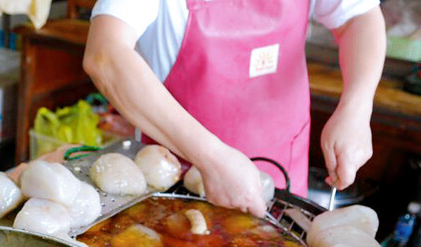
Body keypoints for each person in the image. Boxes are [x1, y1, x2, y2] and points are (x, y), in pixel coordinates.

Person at [83, 0, 387, 216]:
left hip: (284, 180)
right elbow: (105, 55)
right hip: (175, 189)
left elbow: (358, 17)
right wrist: (212, 158)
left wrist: (357, 109)